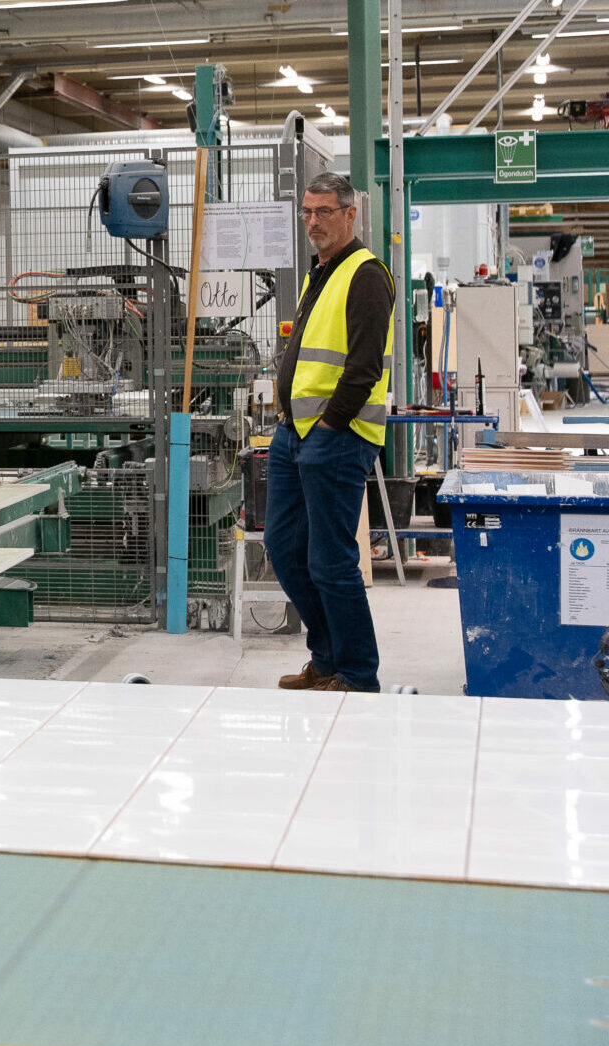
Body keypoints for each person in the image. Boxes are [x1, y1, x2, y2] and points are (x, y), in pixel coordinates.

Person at [271, 172, 392, 694]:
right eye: (307, 211)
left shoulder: (366, 275)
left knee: (332, 562)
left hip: (336, 438)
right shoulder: (320, 273)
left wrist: (328, 427)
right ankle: (325, 659)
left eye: (323, 211)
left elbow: (364, 368)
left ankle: (358, 675)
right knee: (283, 548)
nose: (313, 221)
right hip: (294, 434)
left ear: (349, 214)